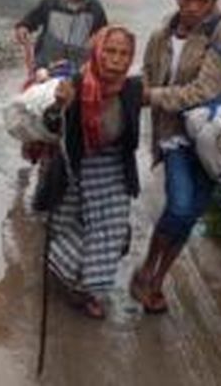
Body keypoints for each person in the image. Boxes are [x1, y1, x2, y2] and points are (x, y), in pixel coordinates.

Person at [132, 0, 221, 314]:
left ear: (213, 0)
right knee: (179, 206)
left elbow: (209, 88)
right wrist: (147, 93)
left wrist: (155, 97)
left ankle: (156, 279)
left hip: (214, 137)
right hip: (174, 135)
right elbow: (148, 76)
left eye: (202, 0)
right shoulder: (160, 35)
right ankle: (147, 268)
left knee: (189, 215)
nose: (193, 7)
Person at [40, 26, 143, 319]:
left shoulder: (134, 89)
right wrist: (59, 105)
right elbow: (49, 126)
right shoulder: (73, 84)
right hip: (76, 168)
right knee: (66, 229)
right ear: (97, 52)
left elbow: (170, 98)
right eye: (110, 51)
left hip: (113, 169)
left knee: (110, 230)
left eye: (124, 54)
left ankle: (89, 290)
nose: (116, 60)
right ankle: (70, 275)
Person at [14, 0, 109, 75]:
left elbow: (104, 34)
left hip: (78, 68)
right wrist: (23, 27)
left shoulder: (95, 8)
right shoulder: (51, 2)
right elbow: (31, 20)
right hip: (46, 65)